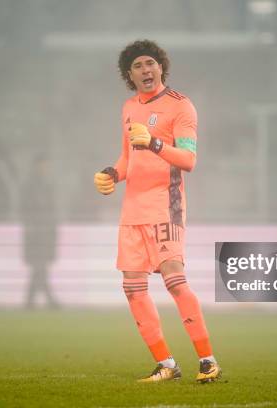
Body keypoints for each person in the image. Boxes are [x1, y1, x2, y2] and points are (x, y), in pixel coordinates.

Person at [93, 40, 221, 383]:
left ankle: (207, 360)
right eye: (138, 66)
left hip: (166, 206)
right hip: (132, 211)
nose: (146, 70)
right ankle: (166, 365)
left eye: (151, 63)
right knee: (133, 289)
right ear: (129, 74)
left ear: (161, 67)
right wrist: (112, 174)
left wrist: (154, 141)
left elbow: (189, 160)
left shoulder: (181, 107)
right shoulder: (128, 108)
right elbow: (127, 158)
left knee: (175, 281)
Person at [20, 154, 59, 308]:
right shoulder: (30, 186)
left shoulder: (46, 186)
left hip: (44, 232)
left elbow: (52, 210)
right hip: (36, 233)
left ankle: (31, 302)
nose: (45, 168)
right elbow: (25, 209)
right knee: (39, 267)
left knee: (39, 268)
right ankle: (50, 301)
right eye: (43, 165)